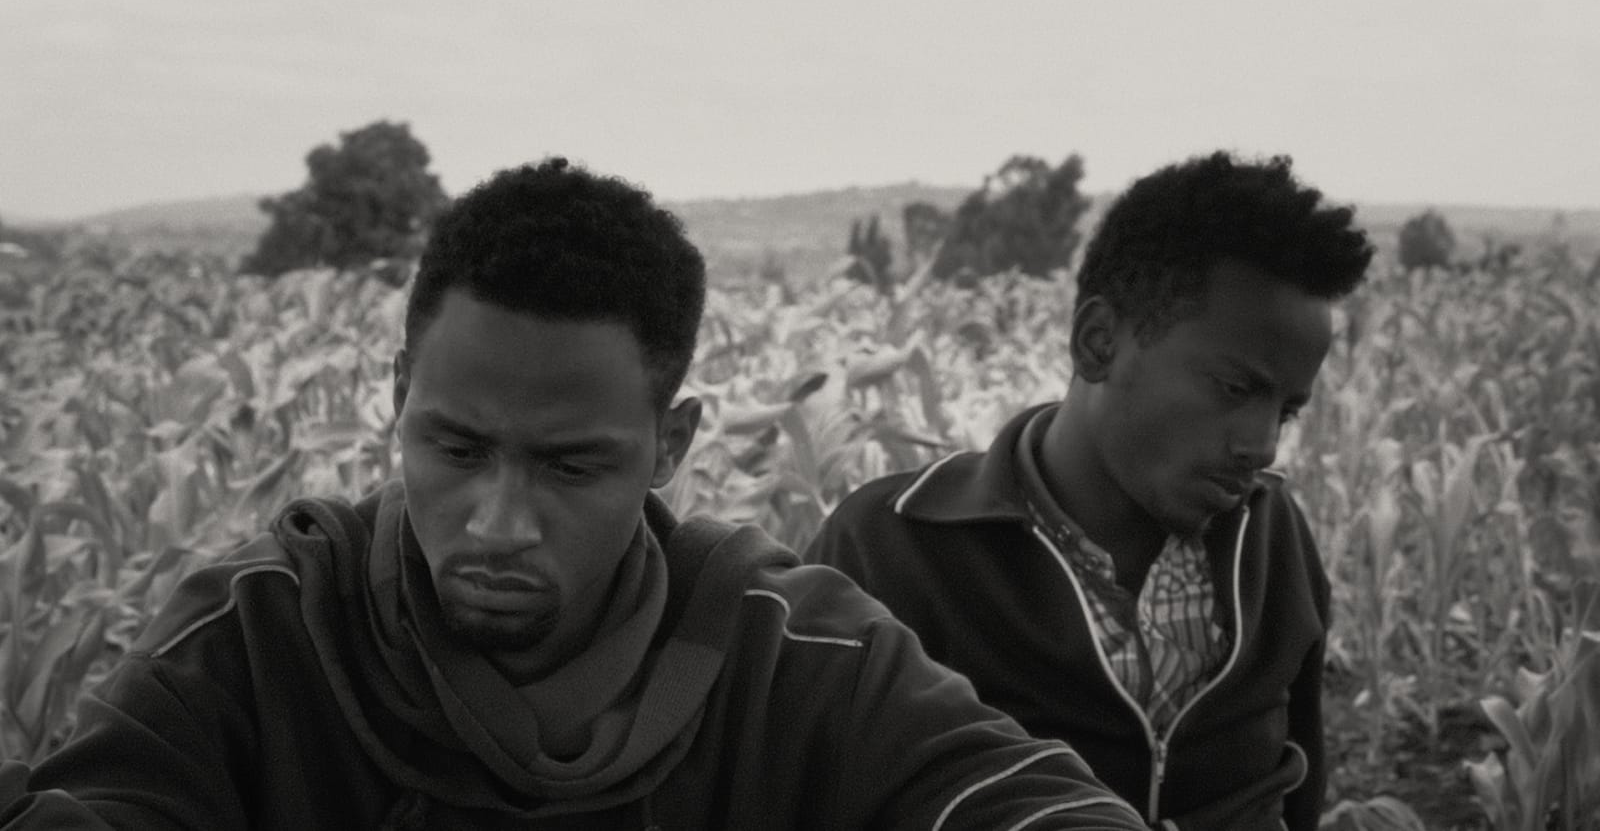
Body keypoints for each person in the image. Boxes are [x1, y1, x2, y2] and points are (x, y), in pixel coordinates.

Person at [0, 158, 1147, 831]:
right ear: (397, 399)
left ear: (670, 444)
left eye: (569, 466)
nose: (497, 523)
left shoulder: (791, 653)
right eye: (456, 448)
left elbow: (1015, 798)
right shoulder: (259, 636)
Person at [807, 151, 1376, 831]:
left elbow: (1297, 786)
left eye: (1286, 411)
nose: (1263, 445)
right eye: (1234, 389)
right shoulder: (892, 547)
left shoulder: (1272, 537)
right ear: (1098, 343)